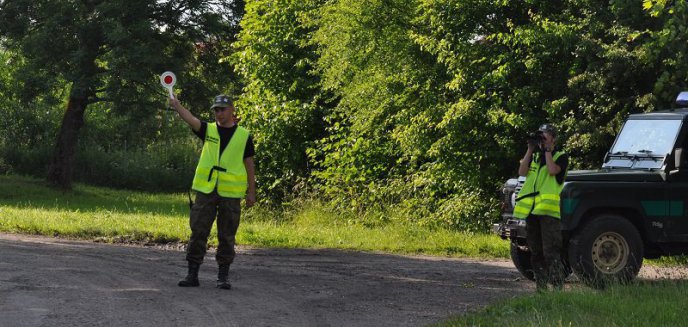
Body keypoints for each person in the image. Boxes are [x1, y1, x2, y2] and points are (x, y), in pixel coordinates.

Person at [169, 94, 256, 290]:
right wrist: (177, 105)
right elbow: (190, 119)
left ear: (232, 110)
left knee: (227, 235)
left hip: (231, 193)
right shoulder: (208, 130)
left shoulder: (244, 135)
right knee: (198, 231)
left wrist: (252, 192)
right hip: (206, 190)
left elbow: (249, 164)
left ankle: (223, 277)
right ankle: (192, 274)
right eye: (216, 109)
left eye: (222, 109)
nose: (218, 113)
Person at [513, 123, 568, 291]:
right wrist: (530, 149)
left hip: (549, 213)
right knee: (536, 252)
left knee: (551, 252)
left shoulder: (561, 156)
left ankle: (558, 288)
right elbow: (522, 171)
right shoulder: (535, 158)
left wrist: (548, 151)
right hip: (532, 211)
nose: (542, 138)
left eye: (545, 135)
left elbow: (552, 171)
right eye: (541, 135)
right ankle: (541, 288)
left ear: (553, 138)